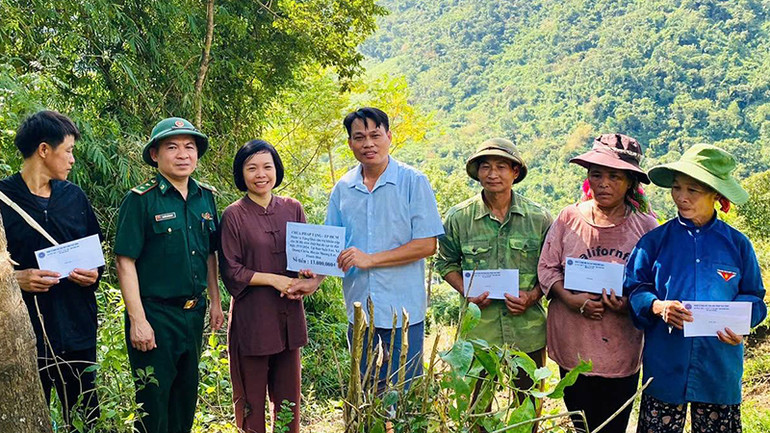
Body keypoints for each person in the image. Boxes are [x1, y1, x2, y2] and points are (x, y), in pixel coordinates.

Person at [293, 107, 444, 386]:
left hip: (404, 314)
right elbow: (333, 246)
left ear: (389, 136)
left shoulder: (413, 182)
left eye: (375, 135)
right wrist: (315, 280)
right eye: (359, 137)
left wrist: (371, 259)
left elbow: (427, 244)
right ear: (350, 143)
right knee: (365, 392)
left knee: (403, 395)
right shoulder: (343, 188)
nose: (368, 144)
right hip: (360, 311)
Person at [626, 143, 767, 433]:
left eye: (693, 190)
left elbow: (755, 297)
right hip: (666, 363)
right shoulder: (655, 242)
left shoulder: (737, 244)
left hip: (719, 366)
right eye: (677, 188)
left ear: (716, 195)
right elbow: (635, 289)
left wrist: (741, 324)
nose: (681, 197)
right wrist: (657, 306)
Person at [537, 134, 658, 433]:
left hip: (621, 349)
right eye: (596, 174)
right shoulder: (569, 218)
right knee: (582, 424)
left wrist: (628, 304)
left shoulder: (646, 227)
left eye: (614, 176)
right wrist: (570, 299)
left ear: (630, 181)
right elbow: (547, 268)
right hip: (573, 346)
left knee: (612, 425)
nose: (603, 182)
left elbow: (656, 283)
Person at [114, 117, 224, 433]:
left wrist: (215, 301)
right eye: (172, 147)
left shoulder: (206, 196)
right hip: (155, 315)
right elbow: (125, 262)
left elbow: (209, 254)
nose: (183, 154)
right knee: (152, 404)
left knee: (184, 400)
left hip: (192, 314)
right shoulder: (141, 199)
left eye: (189, 147)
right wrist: (138, 320)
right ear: (155, 155)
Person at [434, 138, 551, 426]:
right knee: (476, 412)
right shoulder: (459, 218)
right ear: (477, 172)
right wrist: (467, 291)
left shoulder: (539, 218)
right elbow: (445, 263)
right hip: (479, 334)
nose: (492, 173)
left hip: (528, 333)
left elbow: (552, 270)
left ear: (515, 172)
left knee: (528, 411)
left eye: (501, 167)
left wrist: (532, 296)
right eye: (485, 166)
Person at [0, 110, 102, 429]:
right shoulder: (3, 199)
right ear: (44, 150)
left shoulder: (74, 197)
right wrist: (15, 279)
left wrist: (93, 274)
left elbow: (96, 257)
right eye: (68, 150)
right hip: (25, 338)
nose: (72, 159)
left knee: (87, 417)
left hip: (77, 329)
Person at [219, 140, 319, 433]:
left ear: (277, 170)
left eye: (267, 166)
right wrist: (274, 279)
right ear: (242, 173)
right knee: (251, 401)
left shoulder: (293, 208)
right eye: (252, 168)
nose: (260, 174)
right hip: (253, 318)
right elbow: (231, 269)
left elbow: (309, 258)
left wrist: (310, 279)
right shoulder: (234, 215)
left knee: (289, 402)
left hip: (289, 315)